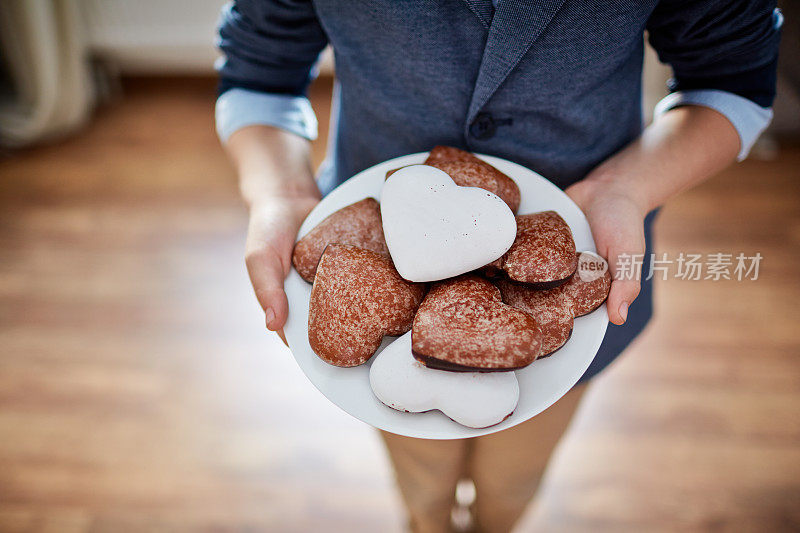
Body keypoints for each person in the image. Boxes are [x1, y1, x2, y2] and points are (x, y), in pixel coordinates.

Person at [214, 1, 782, 531]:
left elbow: (733, 81)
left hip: (583, 254)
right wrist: (279, 193)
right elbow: (258, 70)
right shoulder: (362, 274)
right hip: (378, 247)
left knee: (513, 482)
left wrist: (626, 188)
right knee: (420, 480)